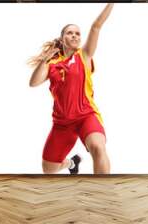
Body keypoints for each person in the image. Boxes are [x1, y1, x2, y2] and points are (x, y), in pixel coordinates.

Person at [28, 3, 114, 174]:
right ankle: (71, 164)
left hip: (86, 116)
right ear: (62, 39)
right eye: (70, 33)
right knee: (48, 169)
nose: (75, 36)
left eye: (77, 33)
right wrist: (44, 59)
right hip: (62, 123)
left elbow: (96, 27)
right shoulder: (52, 64)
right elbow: (34, 82)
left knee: (98, 147)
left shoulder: (84, 55)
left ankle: (104, 193)